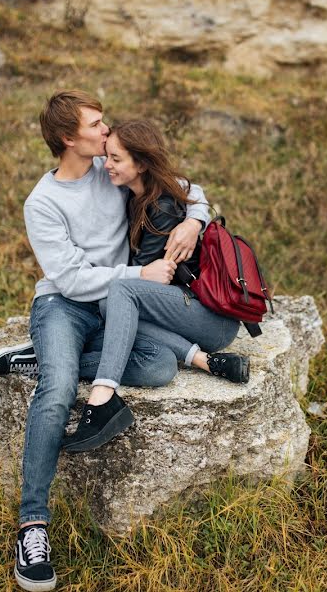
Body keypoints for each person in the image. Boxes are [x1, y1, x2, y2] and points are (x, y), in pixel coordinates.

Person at [7, 90, 210, 592]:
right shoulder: (44, 202)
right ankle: (33, 527)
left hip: (116, 306)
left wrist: (192, 220)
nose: (106, 131)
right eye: (96, 125)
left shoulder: (112, 170)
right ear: (66, 138)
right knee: (55, 392)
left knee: (161, 367)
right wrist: (138, 273)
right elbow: (73, 280)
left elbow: (191, 188)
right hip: (66, 305)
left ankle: (50, 360)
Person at [61, 119, 250, 453]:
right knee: (149, 351)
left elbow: (146, 278)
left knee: (118, 297)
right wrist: (195, 218)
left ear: (142, 163)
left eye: (117, 159)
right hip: (185, 318)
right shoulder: (136, 195)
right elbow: (191, 189)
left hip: (210, 319)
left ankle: (102, 397)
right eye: (108, 156)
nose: (108, 165)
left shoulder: (160, 207)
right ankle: (204, 362)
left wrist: (192, 221)